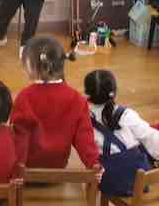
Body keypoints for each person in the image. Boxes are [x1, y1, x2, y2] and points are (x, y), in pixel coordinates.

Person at [85, 69, 159, 196]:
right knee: (142, 142)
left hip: (106, 180)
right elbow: (151, 137)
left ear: (87, 93)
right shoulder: (127, 115)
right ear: (114, 92)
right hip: (136, 181)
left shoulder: (84, 117)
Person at [10, 35, 100, 170]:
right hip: (59, 169)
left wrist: (18, 168)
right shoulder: (77, 99)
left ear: (34, 66)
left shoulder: (24, 97)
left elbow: (19, 138)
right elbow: (84, 137)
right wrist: (93, 162)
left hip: (28, 171)